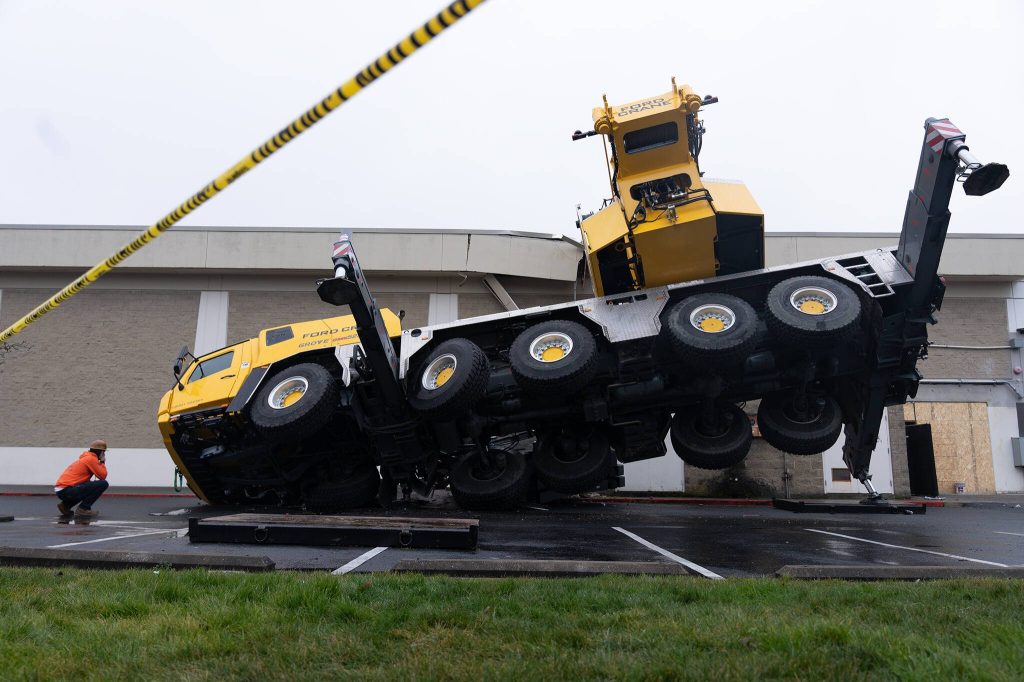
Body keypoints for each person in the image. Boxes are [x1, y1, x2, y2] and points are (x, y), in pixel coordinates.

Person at [55, 440, 109, 518]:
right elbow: (103, 476)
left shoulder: (87, 457)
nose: (104, 454)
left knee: (88, 487)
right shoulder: (91, 459)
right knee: (103, 484)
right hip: (66, 490)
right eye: (104, 452)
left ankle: (65, 506)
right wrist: (102, 462)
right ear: (101, 452)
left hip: (62, 490)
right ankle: (83, 509)